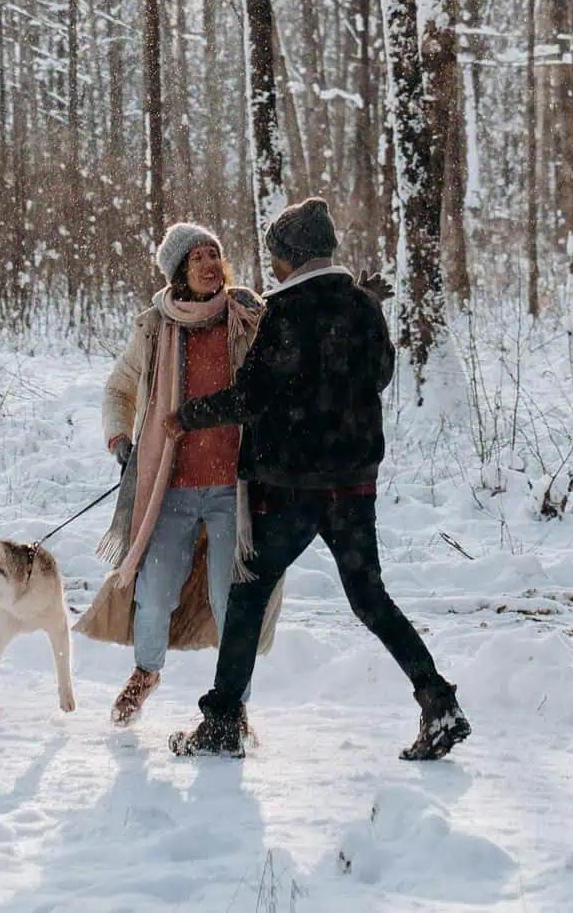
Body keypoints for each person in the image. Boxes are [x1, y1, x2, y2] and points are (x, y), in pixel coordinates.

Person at [165, 197, 470, 762]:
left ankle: (221, 723)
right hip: (353, 483)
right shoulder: (363, 307)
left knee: (248, 595)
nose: (272, 268)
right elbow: (379, 376)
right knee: (369, 596)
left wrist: (188, 416)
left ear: (292, 257)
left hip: (288, 487)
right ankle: (437, 701)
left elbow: (252, 396)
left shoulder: (285, 314)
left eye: (276, 257)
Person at [76, 223, 282, 729]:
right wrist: (120, 439)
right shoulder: (155, 329)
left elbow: (287, 368)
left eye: (215, 254)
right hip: (169, 489)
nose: (211, 264)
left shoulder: (249, 318)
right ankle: (145, 673)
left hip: (234, 488)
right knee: (153, 592)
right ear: (179, 272)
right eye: (197, 258)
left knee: (230, 599)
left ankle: (234, 705)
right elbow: (118, 390)